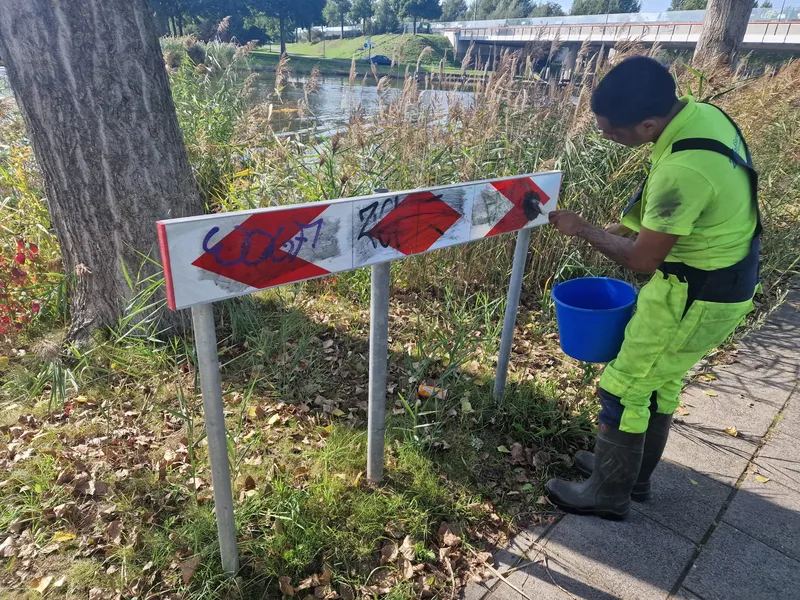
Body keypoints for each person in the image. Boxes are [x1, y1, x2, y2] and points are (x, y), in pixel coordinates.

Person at [546, 56, 760, 520]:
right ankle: (631, 472)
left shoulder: (686, 168)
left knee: (625, 385)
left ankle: (608, 493)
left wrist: (585, 230)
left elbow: (644, 260)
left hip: (697, 291)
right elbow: (656, 213)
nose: (604, 137)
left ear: (646, 123)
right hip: (717, 281)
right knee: (659, 380)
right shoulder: (698, 117)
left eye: (611, 131)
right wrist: (616, 229)